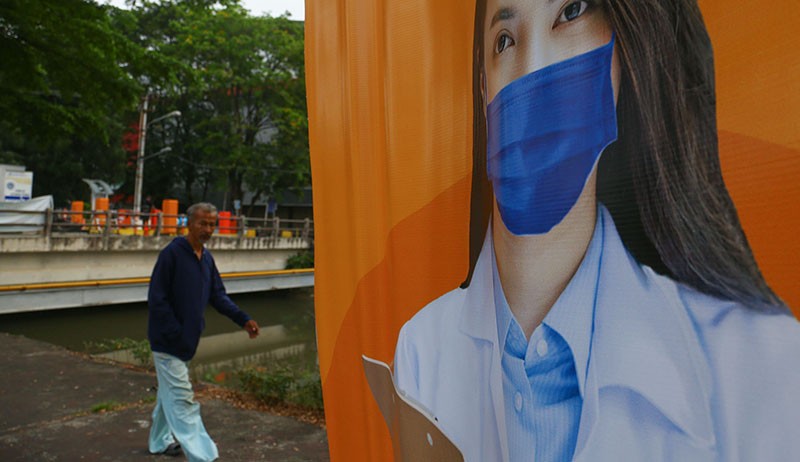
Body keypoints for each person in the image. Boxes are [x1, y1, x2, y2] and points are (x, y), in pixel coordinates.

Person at [392, 1, 800, 461]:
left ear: (622, 54)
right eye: (504, 41)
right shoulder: (422, 345)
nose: (532, 71)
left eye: (571, 12)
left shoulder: (760, 366)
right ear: (484, 88)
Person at [147, 202, 260, 461]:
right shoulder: (172, 254)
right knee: (183, 400)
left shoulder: (206, 259)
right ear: (189, 223)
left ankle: (159, 441)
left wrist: (243, 319)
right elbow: (157, 299)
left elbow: (218, 296)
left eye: (212, 224)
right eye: (202, 223)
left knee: (168, 395)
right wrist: (175, 332)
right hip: (167, 342)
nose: (207, 229)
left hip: (186, 341)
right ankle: (205, 456)